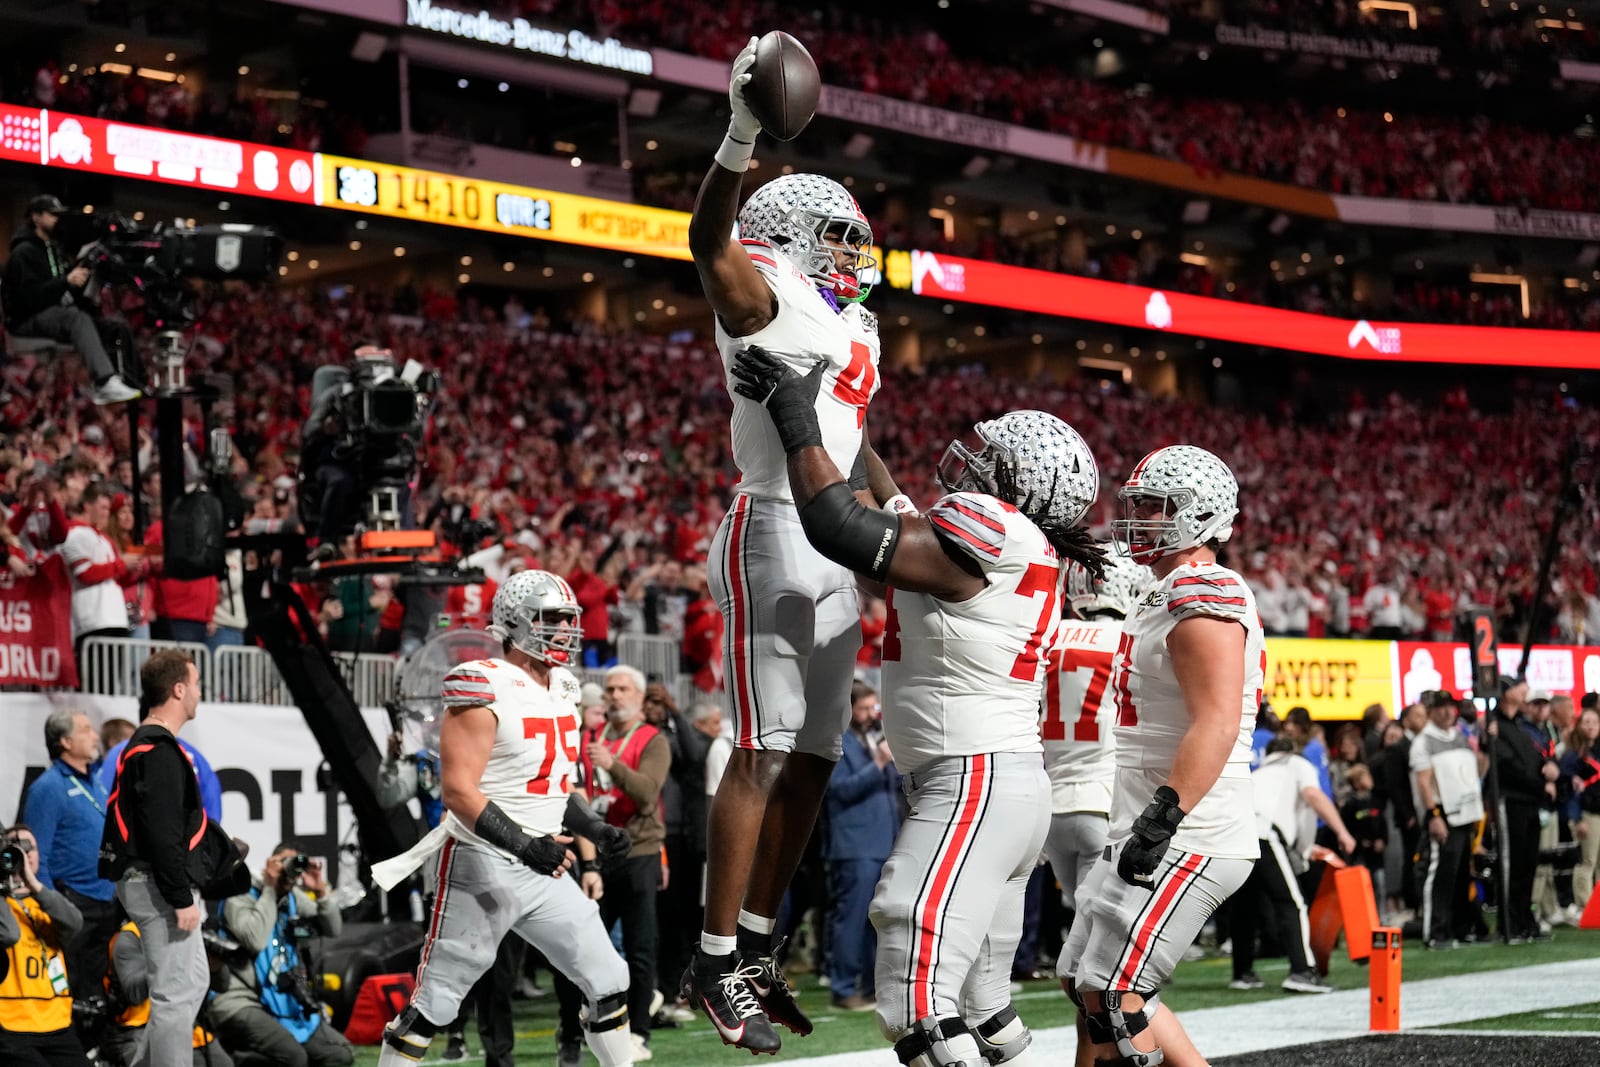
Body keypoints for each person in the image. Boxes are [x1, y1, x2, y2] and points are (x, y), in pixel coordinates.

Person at [730, 342, 1105, 1067]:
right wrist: (848, 424)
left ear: (1017, 482)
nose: (967, 461)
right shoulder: (1019, 547)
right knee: (982, 1009)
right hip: (1002, 783)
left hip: (972, 782)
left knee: (916, 1001)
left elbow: (840, 524)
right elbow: (887, 510)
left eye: (988, 456)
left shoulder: (990, 530)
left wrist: (799, 421)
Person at [682, 33, 904, 1054]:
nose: (857, 255)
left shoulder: (852, 327)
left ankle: (762, 944)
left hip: (841, 541)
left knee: (814, 758)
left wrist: (900, 524)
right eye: (842, 238)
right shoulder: (761, 280)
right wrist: (739, 136)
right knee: (763, 749)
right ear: (792, 233)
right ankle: (714, 954)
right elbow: (706, 241)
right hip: (772, 525)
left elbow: (855, 442)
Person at [370, 570, 635, 1067]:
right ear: (516, 622)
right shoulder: (482, 681)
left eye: (566, 620)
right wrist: (525, 846)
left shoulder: (563, 687)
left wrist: (594, 829)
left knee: (608, 977)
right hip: (483, 860)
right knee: (437, 1003)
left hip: (543, 863)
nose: (563, 630)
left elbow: (557, 789)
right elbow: (458, 791)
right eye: (550, 619)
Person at [1059, 445, 1264, 1067]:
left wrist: (1164, 817)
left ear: (1200, 515)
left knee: (1117, 994)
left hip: (1190, 831)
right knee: (1082, 984)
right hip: (1142, 822)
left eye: (1157, 506)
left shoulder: (1205, 588)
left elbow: (1219, 720)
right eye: (1139, 504)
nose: (1140, 518)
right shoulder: (1160, 590)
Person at [1040, 552, 1148, 1067]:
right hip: (1102, 804)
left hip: (1050, 807)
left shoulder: (1050, 636)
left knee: (1084, 961)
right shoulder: (1129, 641)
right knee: (1105, 969)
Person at [98, 650, 213, 1067]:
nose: (200, 693)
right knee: (175, 996)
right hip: (156, 885)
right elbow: (161, 833)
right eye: (196, 684)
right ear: (179, 689)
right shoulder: (158, 750)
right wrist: (181, 897)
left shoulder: (149, 746)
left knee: (192, 982)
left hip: (148, 880)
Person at [559, 665, 671, 1062]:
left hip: (638, 852)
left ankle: (638, 1033)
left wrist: (610, 764)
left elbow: (645, 795)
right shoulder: (588, 737)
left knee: (640, 949)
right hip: (595, 855)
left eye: (624, 688)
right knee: (580, 949)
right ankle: (573, 1032)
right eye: (610, 689)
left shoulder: (652, 740)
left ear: (640, 698)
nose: (615, 695)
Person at [1229, 737, 1357, 993]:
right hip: (1265, 833)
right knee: (1292, 903)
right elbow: (1312, 796)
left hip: (1235, 835)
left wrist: (1306, 849)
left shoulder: (1258, 773)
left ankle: (1243, 973)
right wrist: (1342, 832)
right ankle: (1302, 971)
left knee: (1244, 908)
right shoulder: (1297, 764)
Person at [212, 845, 353, 1067]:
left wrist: (320, 893)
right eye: (283, 862)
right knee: (294, 1057)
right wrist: (269, 889)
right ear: (270, 863)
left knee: (339, 1055)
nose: (289, 871)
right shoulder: (240, 894)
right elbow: (255, 939)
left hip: (281, 998)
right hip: (241, 999)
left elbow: (333, 929)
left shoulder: (291, 896)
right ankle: (237, 1060)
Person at [22, 709, 118, 1013]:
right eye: (86, 730)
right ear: (65, 741)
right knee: (73, 994)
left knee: (99, 994)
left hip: (107, 902)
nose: (95, 736)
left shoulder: (97, 783)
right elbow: (37, 858)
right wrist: (55, 909)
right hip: (74, 906)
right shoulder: (48, 788)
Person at [3, 193, 141, 405]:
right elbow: (29, 299)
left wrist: (82, 277)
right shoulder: (23, 252)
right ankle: (103, 382)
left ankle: (134, 382)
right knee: (75, 318)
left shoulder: (55, 250)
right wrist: (66, 281)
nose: (57, 219)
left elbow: (65, 293)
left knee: (115, 328)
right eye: (52, 215)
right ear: (36, 218)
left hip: (54, 313)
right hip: (26, 318)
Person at [823, 682, 898, 1013]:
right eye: (863, 709)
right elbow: (839, 790)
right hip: (854, 844)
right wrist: (879, 763)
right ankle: (842, 987)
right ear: (847, 709)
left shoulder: (871, 738)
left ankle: (871, 986)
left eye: (873, 708)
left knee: (877, 921)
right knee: (851, 920)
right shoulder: (836, 743)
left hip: (883, 841)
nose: (870, 715)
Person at [0, 824, 88, 1066]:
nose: (25, 853)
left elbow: (75, 923)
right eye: (15, 849)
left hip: (57, 1023)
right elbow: (8, 933)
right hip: (12, 1026)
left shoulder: (48, 903)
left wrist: (32, 883)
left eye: (31, 848)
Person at [1410, 688, 1485, 949]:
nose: (1447, 711)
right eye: (1440, 707)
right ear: (1430, 712)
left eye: (1450, 706)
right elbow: (1424, 780)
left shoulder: (1460, 738)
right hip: (1444, 813)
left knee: (1462, 875)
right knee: (1440, 875)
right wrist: (1433, 815)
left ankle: (1461, 927)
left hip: (1465, 813)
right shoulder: (1424, 741)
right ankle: (1436, 931)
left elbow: (1475, 771)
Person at [102, 917, 233, 1067]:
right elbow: (134, 994)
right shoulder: (130, 937)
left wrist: (214, 963)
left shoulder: (187, 930)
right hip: (137, 1030)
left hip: (180, 1023)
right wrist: (170, 958)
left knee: (223, 1063)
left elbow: (223, 985)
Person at [1489, 675, 1558, 943]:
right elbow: (1508, 767)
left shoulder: (1517, 724)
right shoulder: (1495, 725)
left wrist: (1547, 768)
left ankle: (1524, 920)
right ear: (1508, 693)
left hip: (1530, 801)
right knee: (1512, 865)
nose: (1526, 691)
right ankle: (1509, 924)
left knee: (1528, 864)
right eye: (1521, 687)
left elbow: (1531, 759)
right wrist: (1542, 784)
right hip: (1512, 801)